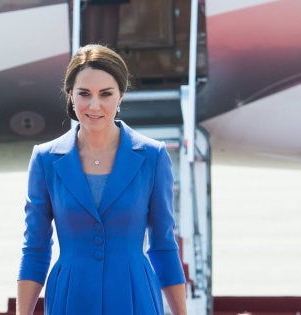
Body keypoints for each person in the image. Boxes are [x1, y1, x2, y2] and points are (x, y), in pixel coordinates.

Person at [16, 44, 187, 315]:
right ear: (70, 95)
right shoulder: (45, 158)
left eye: (106, 94)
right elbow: (35, 247)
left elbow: (163, 245)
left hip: (135, 298)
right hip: (71, 298)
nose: (94, 105)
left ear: (120, 96)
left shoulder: (152, 156)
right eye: (84, 93)